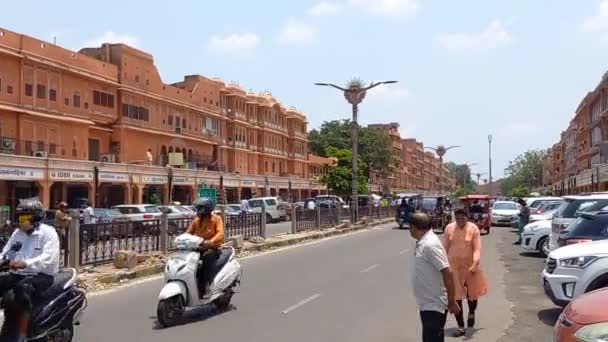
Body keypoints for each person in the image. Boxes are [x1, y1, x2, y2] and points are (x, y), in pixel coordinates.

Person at [0, 206, 59, 340]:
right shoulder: (17, 233)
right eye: (19, 216)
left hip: (42, 275)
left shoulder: (49, 233)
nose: (21, 220)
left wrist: (25, 263)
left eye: (24, 217)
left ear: (35, 217)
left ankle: (23, 333)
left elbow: (48, 258)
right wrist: (4, 261)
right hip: (18, 274)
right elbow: (6, 253)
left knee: (21, 291)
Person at [409, 212, 460, 342]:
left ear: (414, 227)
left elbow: (447, 272)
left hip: (434, 305)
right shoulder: (424, 242)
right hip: (428, 304)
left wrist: (452, 301)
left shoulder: (429, 245)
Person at [443, 209, 489, 337]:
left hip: (470, 267)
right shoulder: (449, 228)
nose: (460, 221)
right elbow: (444, 248)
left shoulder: (473, 229)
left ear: (467, 218)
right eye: (457, 219)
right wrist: (443, 265)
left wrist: (475, 262)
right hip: (454, 268)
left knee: (472, 294)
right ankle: (461, 327)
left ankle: (472, 312)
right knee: (456, 296)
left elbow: (477, 248)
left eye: (462, 219)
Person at [185, 198, 224, 297]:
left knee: (206, 260)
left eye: (200, 208)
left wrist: (210, 241)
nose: (198, 210)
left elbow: (220, 233)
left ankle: (207, 287)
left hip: (213, 248)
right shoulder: (197, 220)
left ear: (207, 209)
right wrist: (182, 239)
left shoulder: (216, 219)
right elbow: (188, 232)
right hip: (199, 247)